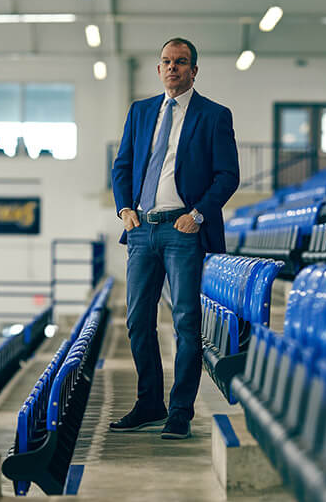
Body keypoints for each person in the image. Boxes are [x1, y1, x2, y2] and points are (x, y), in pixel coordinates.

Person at [110, 37, 239, 439]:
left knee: (185, 321)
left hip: (183, 231)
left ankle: (180, 411)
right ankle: (150, 402)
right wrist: (124, 209)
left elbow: (228, 176)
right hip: (141, 230)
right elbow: (123, 165)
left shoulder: (214, 115)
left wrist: (197, 214)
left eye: (180, 62)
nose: (172, 68)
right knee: (137, 322)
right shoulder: (141, 111)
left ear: (194, 70)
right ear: (158, 67)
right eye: (166, 61)